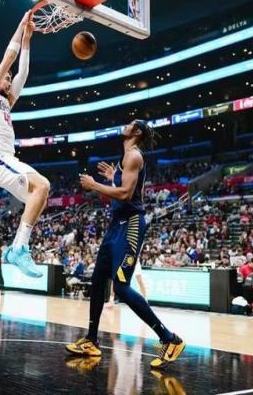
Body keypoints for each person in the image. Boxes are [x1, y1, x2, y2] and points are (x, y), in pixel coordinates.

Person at [66, 120, 185, 370]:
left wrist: (94, 185)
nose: (125, 125)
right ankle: (91, 340)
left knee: (120, 287)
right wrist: (114, 177)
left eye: (130, 124)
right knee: (98, 280)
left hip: (130, 224)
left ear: (137, 132)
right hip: (115, 225)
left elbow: (125, 194)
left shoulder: (134, 156)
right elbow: (124, 188)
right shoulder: (125, 159)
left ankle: (169, 339)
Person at [0, 11, 49, 278]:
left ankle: (15, 249)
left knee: (40, 197)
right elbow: (9, 59)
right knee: (42, 185)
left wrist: (28, 40)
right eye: (5, 78)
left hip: (8, 159)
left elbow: (23, 73)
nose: (8, 80)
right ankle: (20, 248)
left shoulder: (6, 102)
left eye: (9, 78)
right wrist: (20, 26)